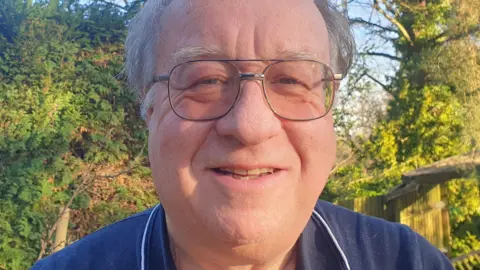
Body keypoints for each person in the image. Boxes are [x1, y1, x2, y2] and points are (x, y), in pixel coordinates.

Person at [32, 0, 454, 269]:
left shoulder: (407, 261)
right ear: (149, 106)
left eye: (291, 80)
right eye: (204, 81)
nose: (251, 126)